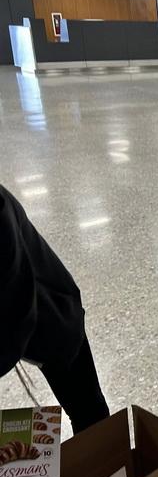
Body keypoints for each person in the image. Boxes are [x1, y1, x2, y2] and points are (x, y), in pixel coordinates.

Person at [0, 185, 110, 433]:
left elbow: (14, 324)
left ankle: (104, 449)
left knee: (89, 410)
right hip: (33, 316)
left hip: (53, 314)